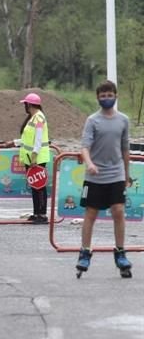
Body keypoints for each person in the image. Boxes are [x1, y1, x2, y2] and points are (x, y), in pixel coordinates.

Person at [75, 80, 133, 278]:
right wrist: (89, 163)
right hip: (95, 176)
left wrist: (127, 173)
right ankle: (84, 251)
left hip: (116, 173)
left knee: (118, 211)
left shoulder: (123, 120)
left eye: (110, 95)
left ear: (116, 96)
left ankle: (120, 252)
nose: (106, 98)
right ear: (97, 98)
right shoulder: (93, 120)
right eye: (103, 96)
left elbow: (125, 148)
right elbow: (84, 146)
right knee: (91, 213)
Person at [3, 93, 50, 223]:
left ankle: (42, 214)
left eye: (25, 104)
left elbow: (38, 140)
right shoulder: (33, 118)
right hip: (31, 158)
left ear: (29, 104)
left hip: (37, 158)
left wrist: (34, 156)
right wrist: (14, 143)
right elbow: (27, 139)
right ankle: (36, 213)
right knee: (35, 186)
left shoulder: (39, 118)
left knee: (39, 186)